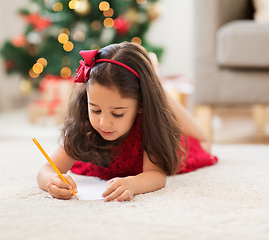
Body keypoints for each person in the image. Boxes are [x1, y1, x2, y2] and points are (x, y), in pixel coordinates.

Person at [37, 42, 218, 202]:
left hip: (159, 129)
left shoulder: (149, 126)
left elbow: (156, 175)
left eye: (117, 113)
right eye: (96, 110)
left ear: (141, 105)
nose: (104, 122)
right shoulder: (85, 125)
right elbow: (45, 170)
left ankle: (159, 87)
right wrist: (52, 181)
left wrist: (132, 184)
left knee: (204, 144)